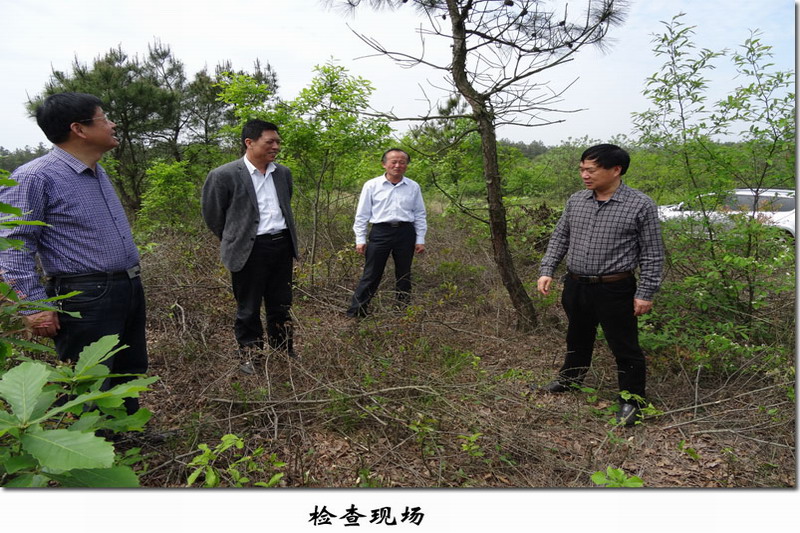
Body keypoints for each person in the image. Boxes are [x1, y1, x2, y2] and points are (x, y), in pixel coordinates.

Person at [0, 92, 147, 416]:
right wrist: (34, 306)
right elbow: (12, 247)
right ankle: (95, 442)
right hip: (85, 295)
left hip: (127, 285)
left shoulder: (97, 171)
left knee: (128, 367)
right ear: (79, 129)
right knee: (90, 379)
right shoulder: (34, 177)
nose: (112, 124)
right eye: (104, 118)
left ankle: (129, 433)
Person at [533, 144, 665, 426]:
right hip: (576, 284)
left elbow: (652, 253)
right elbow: (560, 237)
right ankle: (570, 380)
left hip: (615, 288)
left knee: (624, 345)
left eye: (591, 170)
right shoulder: (577, 200)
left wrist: (646, 292)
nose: (584, 175)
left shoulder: (640, 204)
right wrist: (547, 270)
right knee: (577, 336)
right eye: (582, 169)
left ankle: (632, 401)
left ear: (616, 170)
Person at [202, 119, 299, 373]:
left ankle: (283, 351)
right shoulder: (223, 175)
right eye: (270, 142)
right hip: (249, 250)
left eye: (278, 142)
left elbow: (286, 203)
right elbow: (213, 215)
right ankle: (250, 356)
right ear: (249, 142)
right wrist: (236, 238)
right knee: (248, 307)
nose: (276, 146)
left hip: (281, 246)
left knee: (281, 304)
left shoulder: (283, 174)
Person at [347, 148, 427, 318]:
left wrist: (420, 239)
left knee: (404, 273)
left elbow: (420, 214)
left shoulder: (413, 186)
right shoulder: (372, 185)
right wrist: (360, 239)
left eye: (402, 162)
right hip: (380, 232)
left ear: (406, 165)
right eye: (393, 162)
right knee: (371, 273)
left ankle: (402, 312)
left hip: (405, 232)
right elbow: (362, 214)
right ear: (384, 164)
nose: (398, 165)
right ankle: (357, 312)